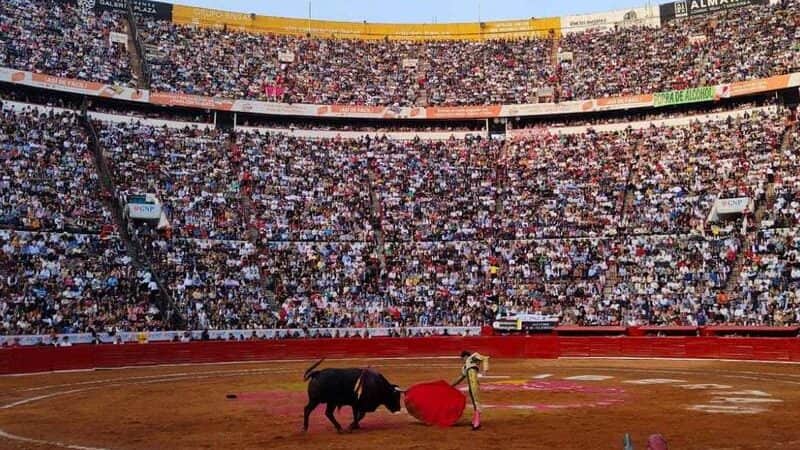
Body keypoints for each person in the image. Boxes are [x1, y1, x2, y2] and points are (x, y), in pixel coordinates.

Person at [452, 350, 489, 430]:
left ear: (465, 356)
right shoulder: (465, 367)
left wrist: (485, 370)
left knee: (475, 401)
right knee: (474, 400)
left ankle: (477, 423)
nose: (463, 360)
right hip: (471, 382)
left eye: (463, 358)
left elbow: (485, 358)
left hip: (473, 382)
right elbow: (460, 378)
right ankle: (475, 420)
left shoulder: (473, 357)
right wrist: (451, 385)